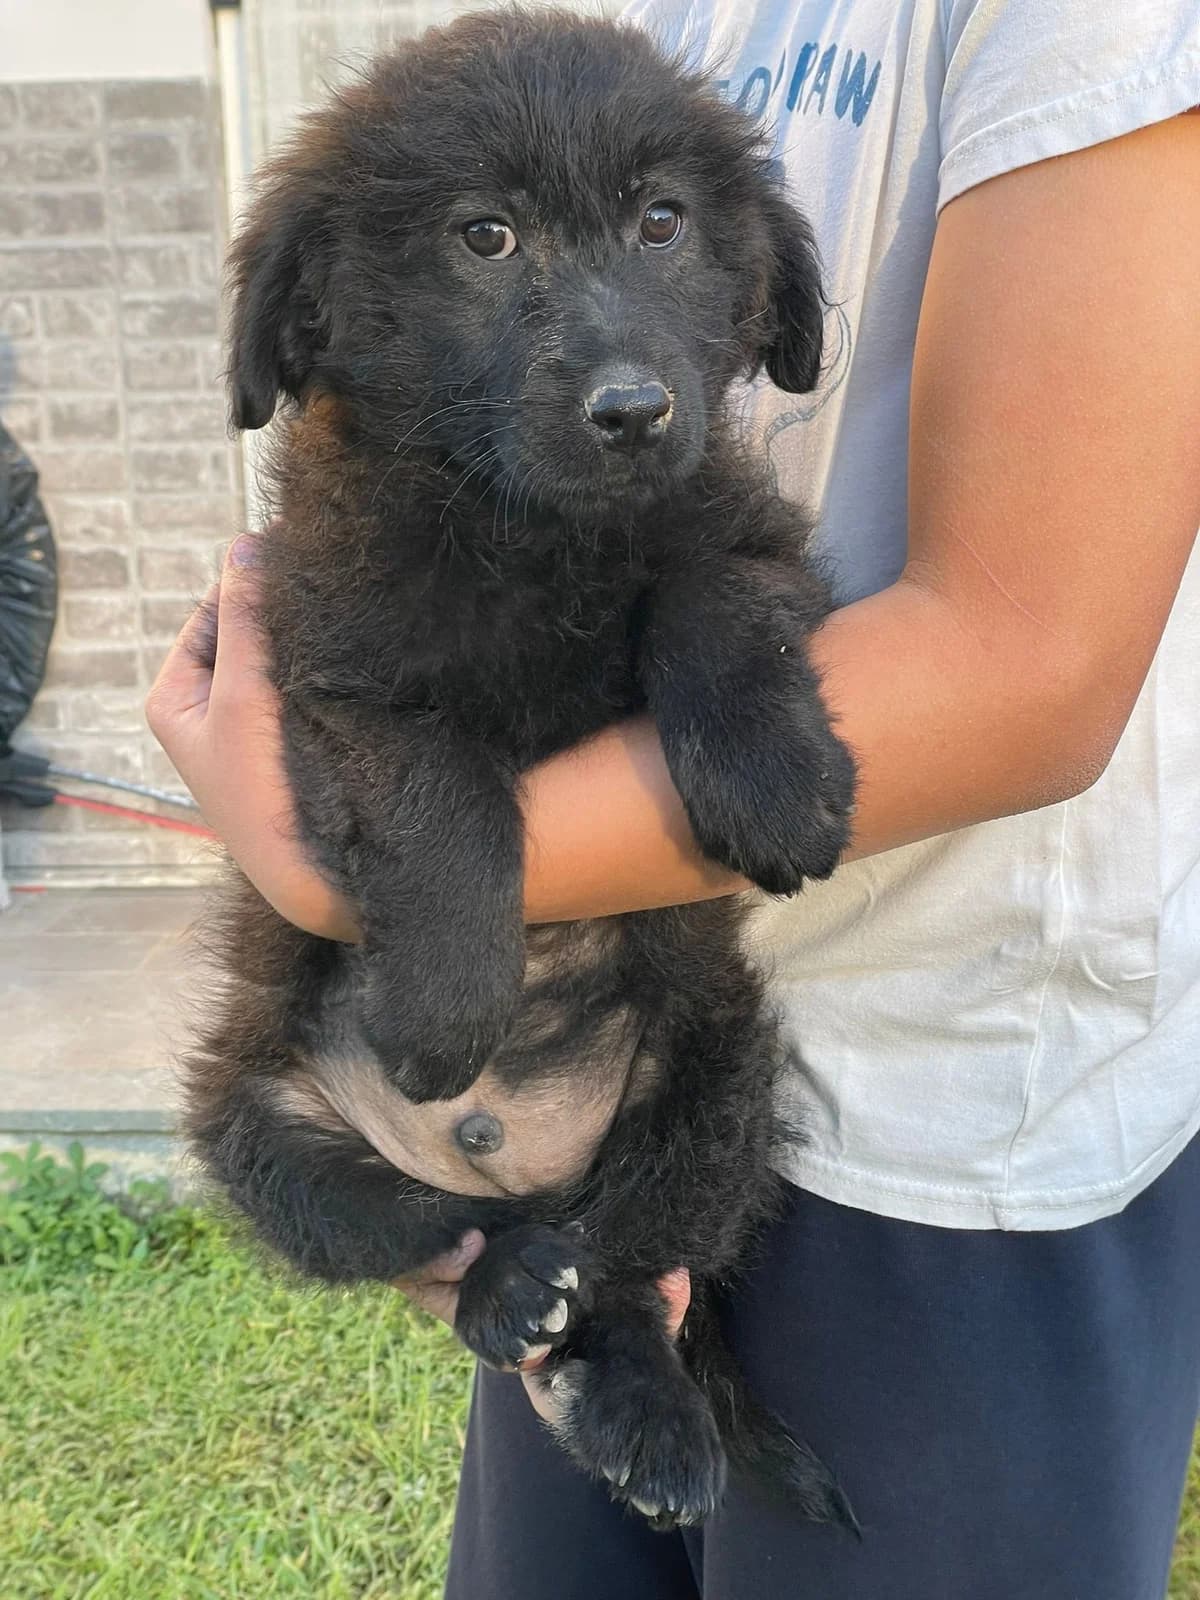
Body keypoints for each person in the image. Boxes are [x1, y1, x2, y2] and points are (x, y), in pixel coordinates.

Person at [148, 0, 1200, 1593]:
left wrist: (349, 883)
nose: (618, 357)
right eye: (485, 240)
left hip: (955, 1105)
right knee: (269, 1141)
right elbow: (353, 692)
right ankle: (568, 1302)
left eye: (656, 226)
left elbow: (1028, 655)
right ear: (316, 311)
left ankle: (616, 1316)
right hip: (517, 1089)